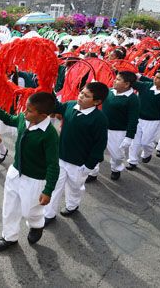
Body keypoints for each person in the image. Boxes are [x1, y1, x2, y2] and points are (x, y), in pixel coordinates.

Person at [0, 92, 58, 250]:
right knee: (9, 207)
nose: (25, 113)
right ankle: (9, 236)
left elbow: (53, 165)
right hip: (15, 172)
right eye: (26, 108)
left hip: (35, 179)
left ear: (43, 115)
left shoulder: (50, 135)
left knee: (30, 210)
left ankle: (36, 224)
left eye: (30, 110)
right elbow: (9, 118)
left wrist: (48, 190)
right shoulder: (23, 119)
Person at [44, 82, 109, 221]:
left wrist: (89, 165)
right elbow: (55, 106)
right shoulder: (70, 105)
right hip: (60, 157)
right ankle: (48, 214)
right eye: (81, 93)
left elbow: (99, 145)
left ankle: (72, 205)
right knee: (54, 186)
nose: (81, 96)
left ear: (97, 101)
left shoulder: (99, 119)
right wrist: (48, 87)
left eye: (86, 96)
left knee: (75, 187)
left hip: (79, 163)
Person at [92, 71, 139, 181]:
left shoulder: (132, 99)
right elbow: (96, 100)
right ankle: (92, 172)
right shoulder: (109, 92)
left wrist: (129, 136)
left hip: (118, 131)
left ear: (126, 84)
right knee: (94, 151)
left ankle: (116, 169)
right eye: (115, 78)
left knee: (117, 155)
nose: (114, 81)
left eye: (118, 80)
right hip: (101, 128)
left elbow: (133, 119)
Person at [127, 69, 160, 169]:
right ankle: (132, 161)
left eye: (158, 78)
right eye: (155, 76)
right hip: (138, 119)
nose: (155, 79)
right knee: (135, 141)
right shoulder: (145, 86)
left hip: (153, 122)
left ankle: (147, 154)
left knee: (146, 143)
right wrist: (118, 73)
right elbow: (129, 82)